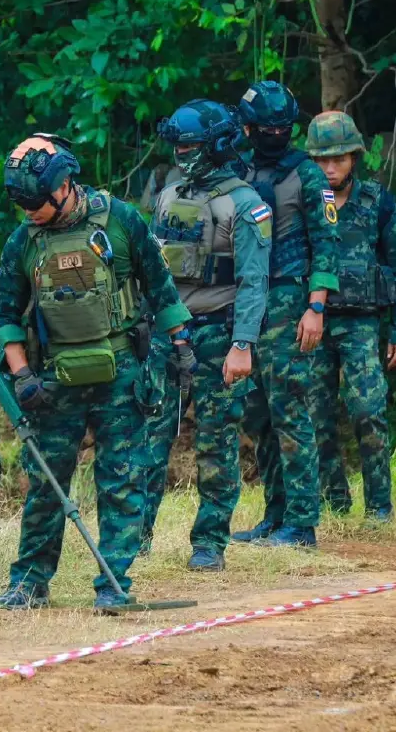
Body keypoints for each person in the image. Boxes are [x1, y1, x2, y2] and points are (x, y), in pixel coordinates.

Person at [0, 132, 194, 611]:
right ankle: (30, 582)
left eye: (36, 201)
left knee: (121, 480)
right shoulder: (24, 240)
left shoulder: (120, 220)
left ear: (64, 186)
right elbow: (2, 315)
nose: (29, 210)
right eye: (21, 202)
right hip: (54, 378)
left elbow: (160, 286)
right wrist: (22, 376)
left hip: (121, 369)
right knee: (46, 482)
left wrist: (181, 345)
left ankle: (113, 584)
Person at [140, 99, 271, 571]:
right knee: (149, 437)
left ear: (216, 145)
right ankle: (135, 538)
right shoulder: (168, 193)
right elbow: (152, 270)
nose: (182, 154)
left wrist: (243, 345)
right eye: (178, 146)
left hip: (219, 333)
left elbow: (255, 282)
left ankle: (210, 543)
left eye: (191, 145)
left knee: (216, 442)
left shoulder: (246, 204)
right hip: (168, 333)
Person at [230, 80, 341, 548]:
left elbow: (328, 247)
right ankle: (275, 515)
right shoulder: (239, 170)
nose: (271, 135)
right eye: (264, 127)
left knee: (291, 412)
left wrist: (316, 307)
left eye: (279, 128)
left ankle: (303, 522)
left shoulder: (309, 177)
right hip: (248, 306)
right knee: (259, 417)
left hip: (290, 304)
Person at [303, 111, 396, 521]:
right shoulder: (303, 203)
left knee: (369, 412)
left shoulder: (376, 202)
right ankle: (335, 504)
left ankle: (380, 509)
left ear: (354, 158)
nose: (330, 168)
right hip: (313, 325)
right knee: (316, 418)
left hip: (361, 324)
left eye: (339, 159)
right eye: (321, 160)